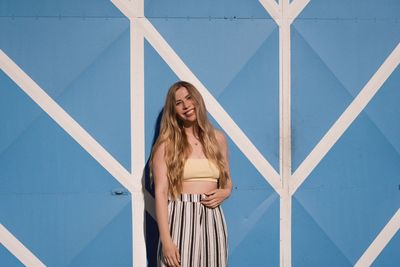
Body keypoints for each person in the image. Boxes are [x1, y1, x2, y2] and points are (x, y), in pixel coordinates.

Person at [150, 81, 233, 267]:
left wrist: (226, 191)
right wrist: (166, 240)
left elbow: (227, 181)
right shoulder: (166, 144)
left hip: (213, 218)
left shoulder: (218, 138)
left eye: (189, 98)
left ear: (197, 100)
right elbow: (161, 193)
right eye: (178, 103)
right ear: (173, 110)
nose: (186, 105)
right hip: (180, 216)